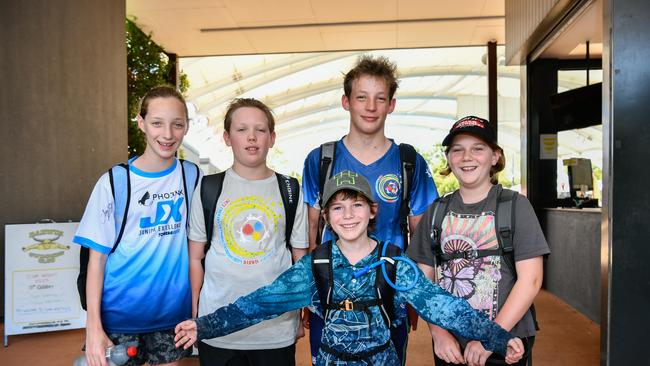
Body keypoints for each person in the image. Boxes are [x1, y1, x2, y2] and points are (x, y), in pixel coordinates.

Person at [174, 170, 525, 366]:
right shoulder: (316, 266)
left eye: (356, 205)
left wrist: (498, 335)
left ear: (372, 210)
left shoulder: (392, 263)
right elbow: (259, 304)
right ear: (325, 216)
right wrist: (204, 325)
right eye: (338, 208)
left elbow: (441, 305)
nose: (348, 215)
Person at [301, 54, 438, 364]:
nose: (371, 106)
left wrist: (415, 290)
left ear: (391, 104)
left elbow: (421, 233)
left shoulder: (408, 161)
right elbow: (309, 229)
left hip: (387, 295)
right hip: (331, 294)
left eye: (380, 98)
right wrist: (310, 290)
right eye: (361, 97)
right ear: (346, 102)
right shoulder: (321, 160)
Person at [407, 116, 550, 366]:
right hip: (451, 345)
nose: (466, 157)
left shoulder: (515, 206)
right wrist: (438, 334)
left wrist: (490, 337)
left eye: (478, 149)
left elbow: (532, 279)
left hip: (505, 339)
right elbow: (421, 284)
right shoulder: (436, 212)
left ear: (494, 157)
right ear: (449, 159)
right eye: (457, 150)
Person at [73, 85, 200, 366]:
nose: (167, 134)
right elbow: (97, 260)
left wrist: (195, 310)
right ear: (141, 123)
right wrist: (93, 327)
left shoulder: (192, 176)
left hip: (173, 319)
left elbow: (197, 251)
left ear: (186, 127)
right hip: (119, 319)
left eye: (177, 124)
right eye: (157, 123)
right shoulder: (115, 183)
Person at [187, 98, 309, 366]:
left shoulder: (290, 189)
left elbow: (300, 261)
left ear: (272, 138)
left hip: (275, 328)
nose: (251, 137)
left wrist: (299, 315)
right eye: (241, 129)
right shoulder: (209, 188)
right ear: (227, 138)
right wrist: (197, 315)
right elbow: (195, 257)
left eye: (260, 130)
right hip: (218, 327)